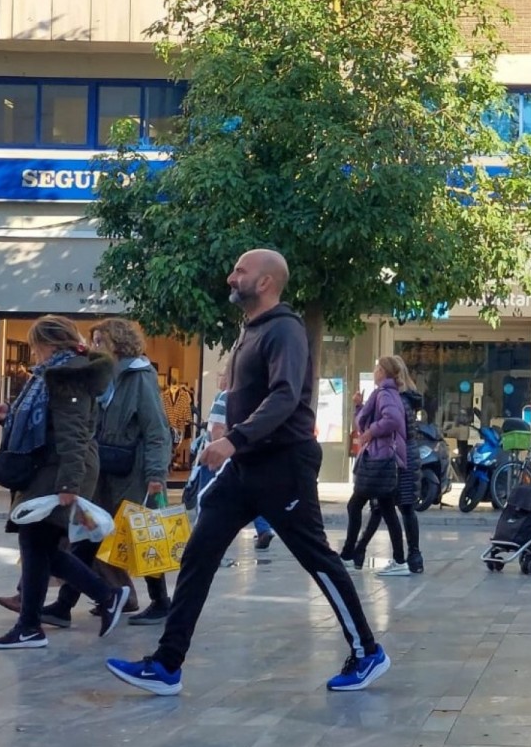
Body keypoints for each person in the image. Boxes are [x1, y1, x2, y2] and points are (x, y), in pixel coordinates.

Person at [107, 249, 388, 695]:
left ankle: (368, 651)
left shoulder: (285, 330)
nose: (230, 277)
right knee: (199, 554)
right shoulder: (250, 331)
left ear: (266, 283)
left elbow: (284, 396)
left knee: (317, 557)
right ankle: (166, 664)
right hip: (246, 466)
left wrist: (232, 440)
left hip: (284, 464)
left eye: (240, 271)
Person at [0, 316, 129, 649]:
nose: (34, 354)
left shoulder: (68, 376)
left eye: (36, 347)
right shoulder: (56, 375)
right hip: (49, 465)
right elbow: (51, 420)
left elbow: (74, 432)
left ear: (49, 344)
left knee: (37, 543)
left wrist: (69, 485)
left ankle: (99, 598)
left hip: (58, 469)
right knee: (40, 547)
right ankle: (34, 624)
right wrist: (9, 414)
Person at [41, 319, 173, 628]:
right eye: (94, 340)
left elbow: (156, 429)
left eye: (101, 341)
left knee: (142, 534)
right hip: (102, 466)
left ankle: (161, 601)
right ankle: (64, 605)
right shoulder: (100, 376)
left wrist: (156, 474)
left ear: (119, 342)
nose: (95, 346)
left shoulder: (138, 376)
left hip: (133, 471)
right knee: (89, 531)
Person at [340, 356, 410, 576]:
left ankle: (349, 555)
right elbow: (365, 421)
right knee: (387, 510)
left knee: (356, 505)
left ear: (386, 372)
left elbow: (393, 420)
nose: (375, 370)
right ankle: (398, 560)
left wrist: (372, 431)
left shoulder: (384, 394)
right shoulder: (384, 393)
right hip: (381, 457)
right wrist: (359, 406)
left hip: (378, 459)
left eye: (378, 367)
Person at [354, 356, 425, 573]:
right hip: (408, 454)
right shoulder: (407, 398)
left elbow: (389, 423)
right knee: (402, 507)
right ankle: (413, 556)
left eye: (378, 368)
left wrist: (369, 430)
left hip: (395, 455)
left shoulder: (392, 398)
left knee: (382, 506)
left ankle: (363, 551)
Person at [204, 365, 277, 549]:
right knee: (253, 496)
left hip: (222, 454)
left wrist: (216, 451)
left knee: (208, 498)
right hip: (242, 454)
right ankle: (264, 528)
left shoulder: (223, 397)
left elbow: (217, 428)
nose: (219, 379)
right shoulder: (248, 398)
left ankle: (208, 534)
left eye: (221, 374)